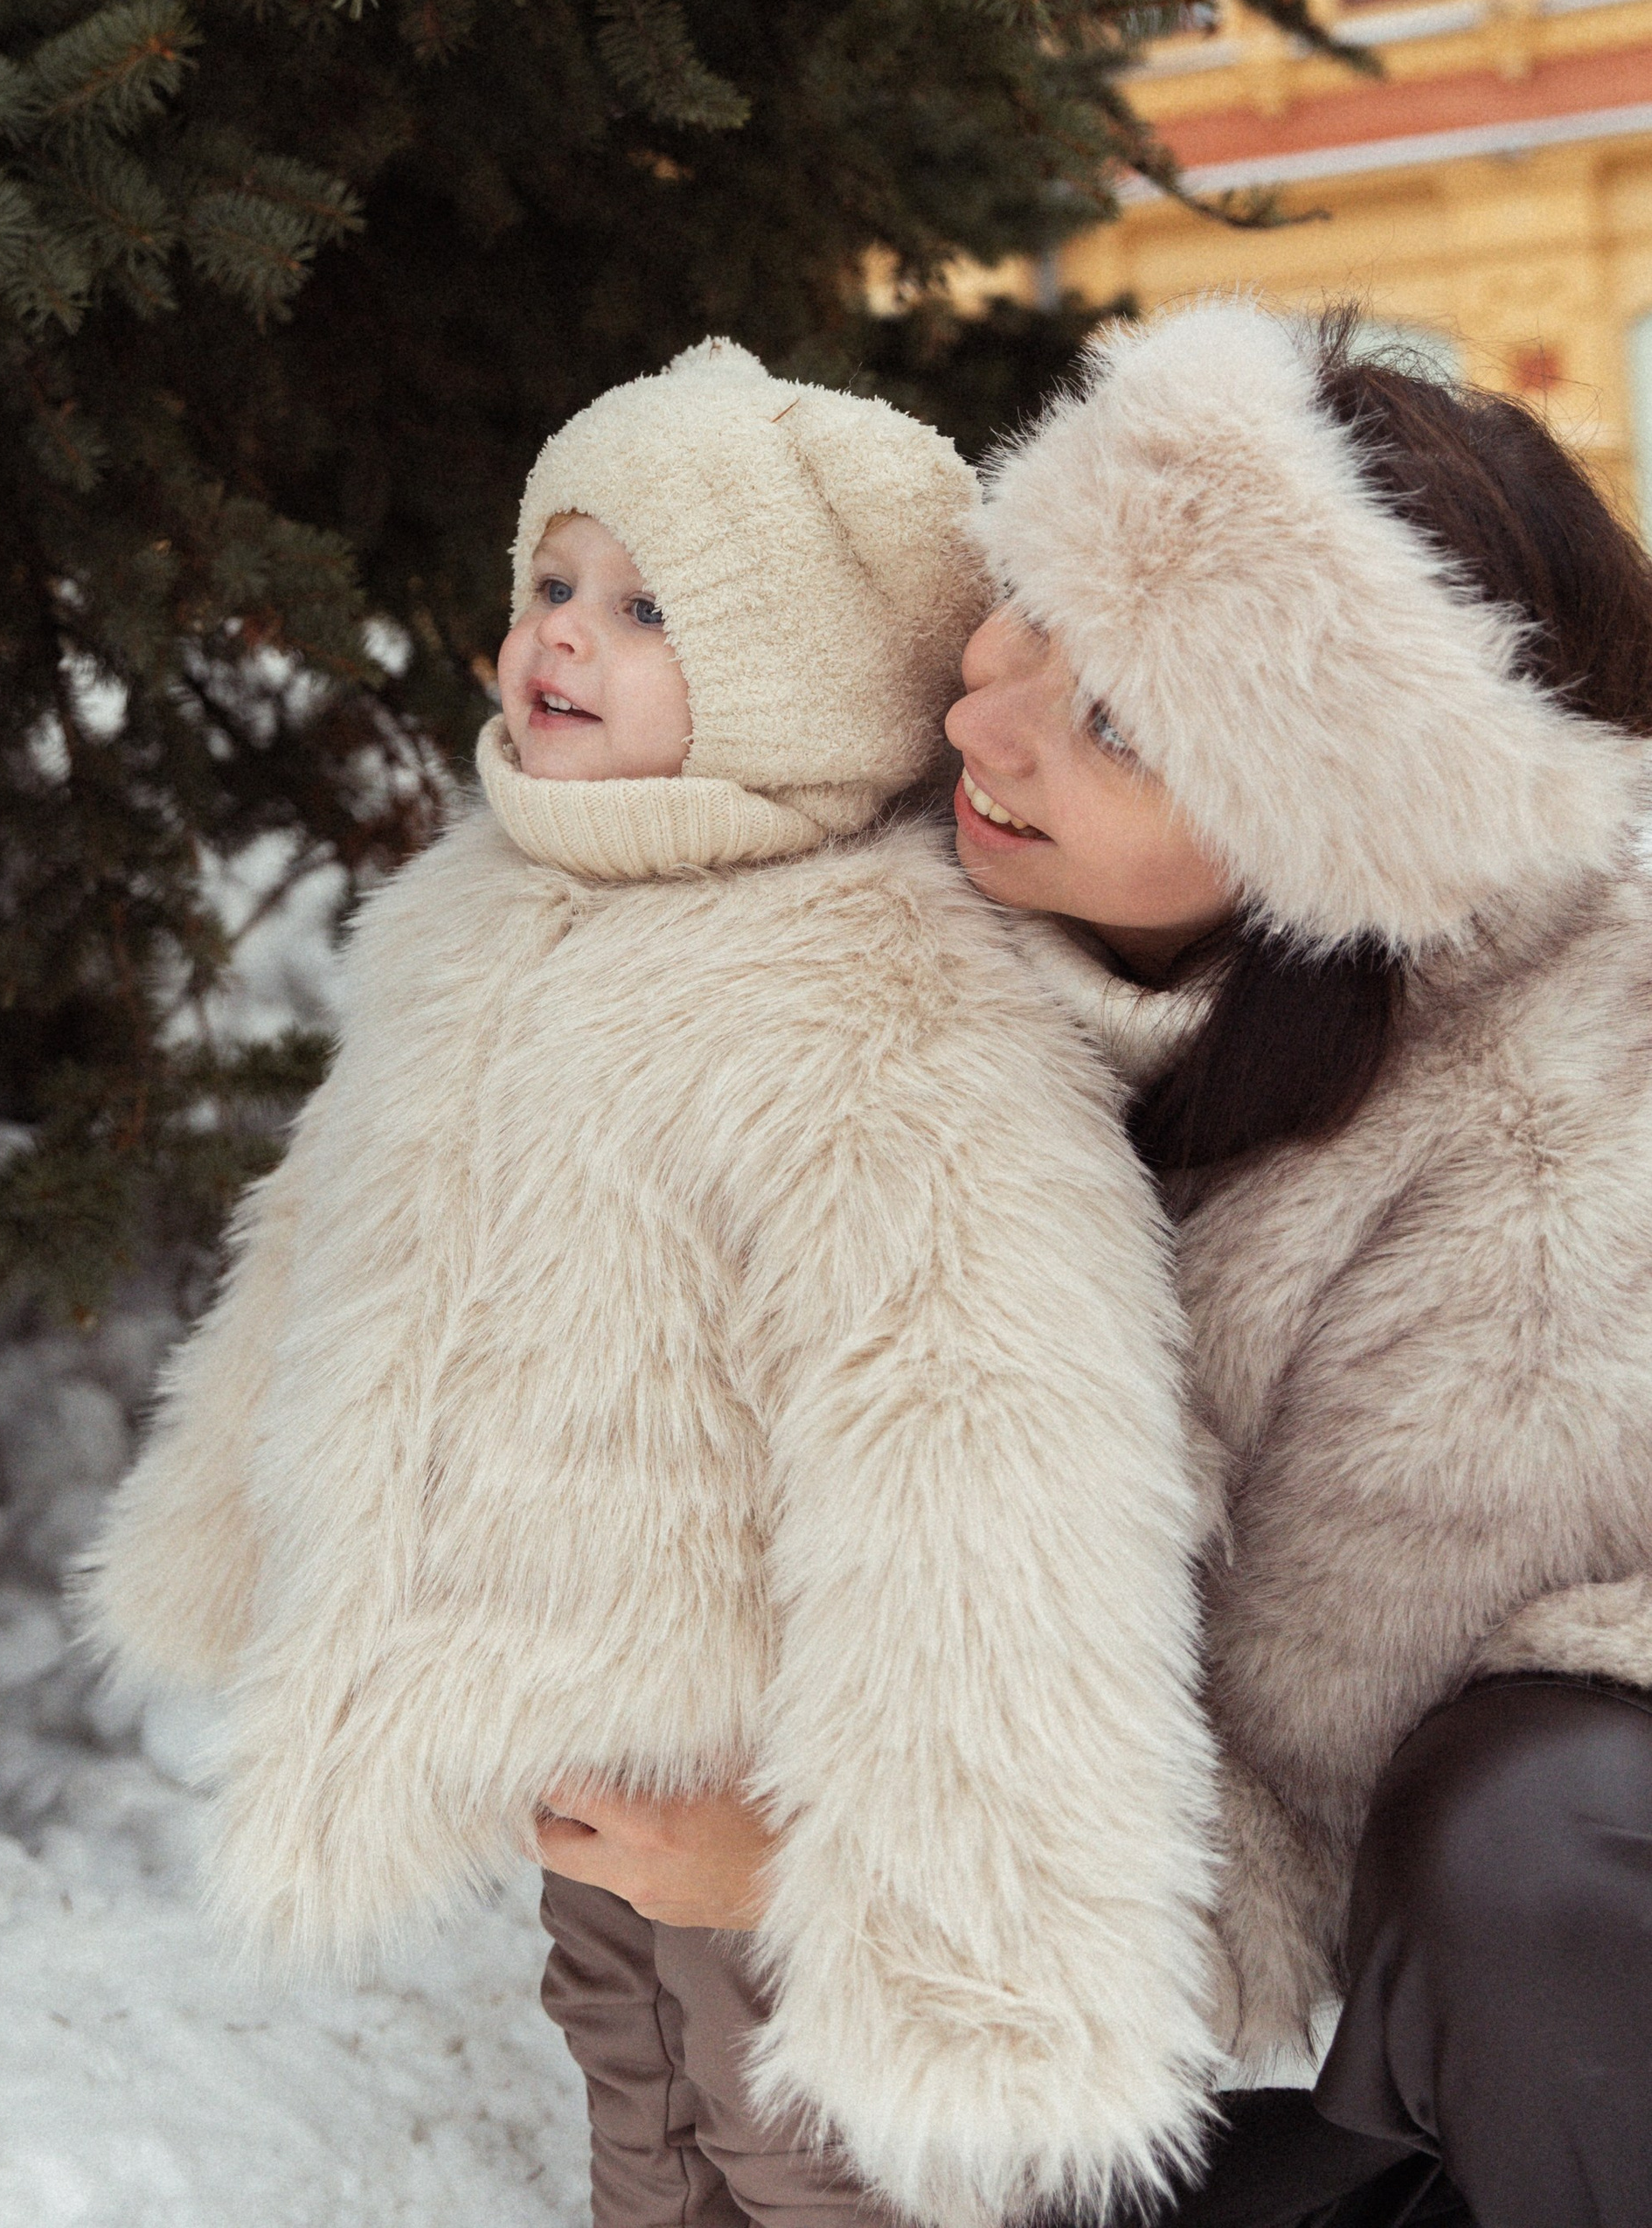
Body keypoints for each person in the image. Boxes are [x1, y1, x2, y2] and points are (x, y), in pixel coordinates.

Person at [86, 338, 1221, 2228]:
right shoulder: (480, 905)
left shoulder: (873, 985)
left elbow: (981, 1437)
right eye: (552, 581)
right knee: (630, 2076)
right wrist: (220, 1531)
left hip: (761, 1752)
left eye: (647, 606)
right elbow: (331, 1238)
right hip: (572, 1715)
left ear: (794, 669)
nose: (562, 637)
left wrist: (890, 1856)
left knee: (809, 2138)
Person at [555, 300, 1652, 2228]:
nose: (987, 715)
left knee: (1520, 1842)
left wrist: (838, 1863)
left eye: (1120, 721)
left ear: (1317, 844)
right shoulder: (978, 871)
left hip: (1549, 1884)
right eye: (1035, 611)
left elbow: (1296, 1831)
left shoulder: (1536, 1181)